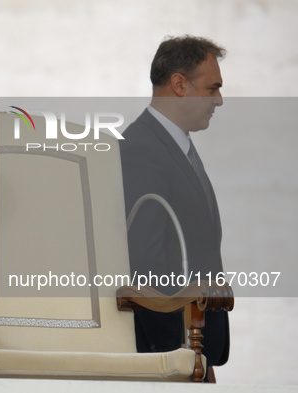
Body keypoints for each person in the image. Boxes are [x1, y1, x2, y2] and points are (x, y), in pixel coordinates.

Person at [120, 35, 229, 382]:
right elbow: (144, 264)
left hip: (193, 351)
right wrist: (180, 359)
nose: (219, 100)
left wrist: (202, 359)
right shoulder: (142, 148)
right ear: (179, 84)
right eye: (212, 88)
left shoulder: (174, 145)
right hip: (171, 355)